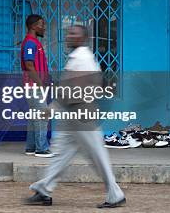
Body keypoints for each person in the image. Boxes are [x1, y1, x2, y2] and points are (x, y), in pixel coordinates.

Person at [25, 25, 126, 208]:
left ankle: (115, 195)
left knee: (97, 156)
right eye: (69, 33)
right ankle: (44, 190)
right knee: (60, 154)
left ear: (83, 38)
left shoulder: (83, 59)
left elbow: (74, 90)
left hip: (82, 117)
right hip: (72, 116)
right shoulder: (77, 57)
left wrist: (52, 108)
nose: (69, 36)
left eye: (73, 34)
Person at [21, 14, 52, 157]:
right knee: (42, 116)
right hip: (34, 86)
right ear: (33, 26)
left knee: (35, 116)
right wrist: (40, 85)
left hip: (34, 85)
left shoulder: (34, 42)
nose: (44, 27)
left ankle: (31, 147)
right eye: (41, 24)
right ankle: (41, 149)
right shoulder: (30, 43)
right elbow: (29, 65)